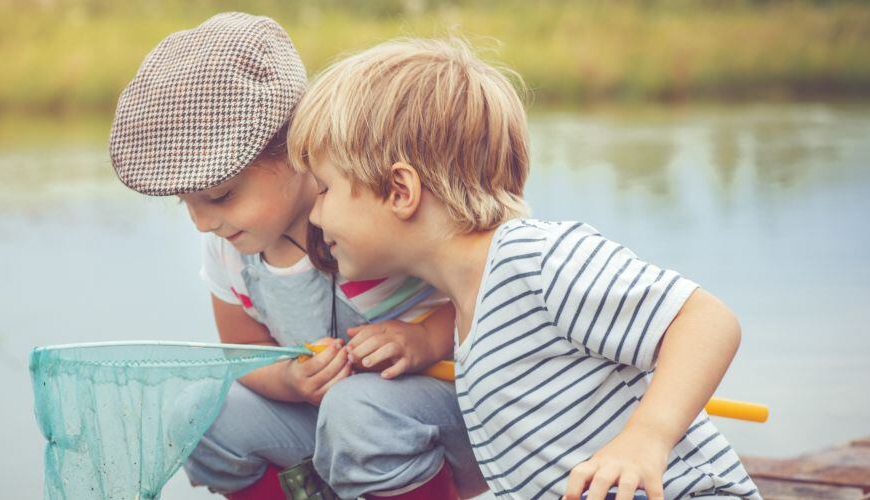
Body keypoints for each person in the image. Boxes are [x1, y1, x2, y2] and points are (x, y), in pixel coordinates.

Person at [287, 37, 761, 499]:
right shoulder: (469, 314)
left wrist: (647, 438)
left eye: (325, 189)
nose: (315, 214)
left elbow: (707, 321)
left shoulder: (532, 258)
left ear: (400, 191)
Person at [108, 13, 487, 500]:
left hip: (440, 416)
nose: (202, 223)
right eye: (186, 203)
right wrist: (289, 381)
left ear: (295, 149)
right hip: (330, 421)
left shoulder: (370, 217)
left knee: (357, 409)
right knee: (200, 414)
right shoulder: (228, 250)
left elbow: (479, 291)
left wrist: (424, 340)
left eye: (221, 196)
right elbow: (243, 352)